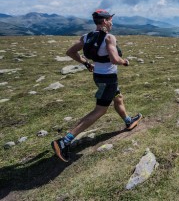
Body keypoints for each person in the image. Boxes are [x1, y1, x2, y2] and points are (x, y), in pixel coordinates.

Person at [51, 9, 142, 163]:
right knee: (100, 110)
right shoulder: (109, 38)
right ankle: (64, 141)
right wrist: (125, 62)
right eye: (110, 19)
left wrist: (86, 63)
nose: (112, 22)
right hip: (108, 79)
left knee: (118, 98)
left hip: (98, 76)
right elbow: (114, 59)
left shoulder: (86, 37)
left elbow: (70, 52)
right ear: (105, 21)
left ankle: (128, 121)